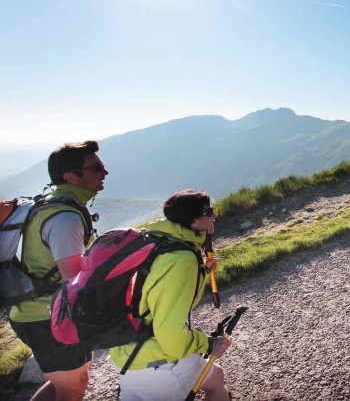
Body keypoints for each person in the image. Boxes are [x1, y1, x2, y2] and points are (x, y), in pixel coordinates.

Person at [109, 189, 232, 401]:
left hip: (126, 356)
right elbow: (169, 334)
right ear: (193, 222)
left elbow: (155, 285)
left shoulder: (157, 240)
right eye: (209, 212)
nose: (215, 216)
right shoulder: (182, 259)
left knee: (216, 376)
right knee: (216, 381)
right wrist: (209, 344)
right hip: (159, 361)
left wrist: (201, 269)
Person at [9, 141, 108, 401]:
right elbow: (73, 279)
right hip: (46, 317)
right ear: (70, 176)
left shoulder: (56, 205)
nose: (104, 172)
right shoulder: (65, 217)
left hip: (38, 312)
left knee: (69, 380)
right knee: (72, 387)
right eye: (96, 168)